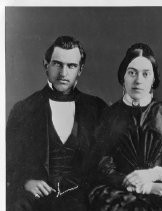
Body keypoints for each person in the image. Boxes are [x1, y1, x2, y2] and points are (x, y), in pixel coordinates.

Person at [88, 43, 162, 211]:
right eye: (132, 73)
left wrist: (155, 175)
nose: (138, 80)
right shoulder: (109, 116)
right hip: (121, 191)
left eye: (145, 74)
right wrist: (141, 185)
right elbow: (99, 165)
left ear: (153, 80)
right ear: (123, 77)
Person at [6, 35, 107, 211]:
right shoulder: (24, 109)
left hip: (83, 196)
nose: (63, 73)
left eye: (71, 66)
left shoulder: (97, 108)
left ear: (80, 70)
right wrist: (25, 182)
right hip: (37, 196)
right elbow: (8, 161)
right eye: (57, 64)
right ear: (46, 65)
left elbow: (108, 160)